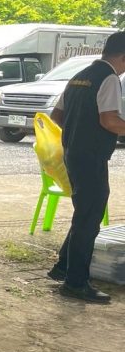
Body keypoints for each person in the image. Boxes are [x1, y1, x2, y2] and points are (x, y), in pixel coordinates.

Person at [49, 31, 125, 303]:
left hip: (73, 153)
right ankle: (75, 283)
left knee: (84, 212)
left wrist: (77, 132)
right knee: (89, 218)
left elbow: (56, 115)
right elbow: (109, 120)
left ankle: (63, 267)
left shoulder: (79, 76)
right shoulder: (109, 78)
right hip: (91, 157)